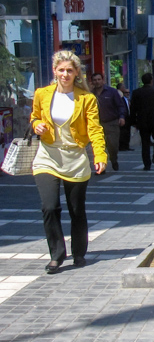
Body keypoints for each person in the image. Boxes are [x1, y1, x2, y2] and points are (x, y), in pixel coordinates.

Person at [30, 50, 107, 273]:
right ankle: (56, 254)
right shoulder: (42, 94)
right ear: (55, 71)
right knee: (50, 206)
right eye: (61, 70)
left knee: (77, 210)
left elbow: (95, 129)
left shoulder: (86, 98)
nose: (65, 74)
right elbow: (35, 116)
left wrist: (100, 155)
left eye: (69, 70)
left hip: (75, 158)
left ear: (76, 73)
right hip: (47, 156)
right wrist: (37, 126)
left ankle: (79, 252)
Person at [89, 72, 127, 172]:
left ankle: (114, 159)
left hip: (111, 123)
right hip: (97, 124)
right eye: (95, 80)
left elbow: (120, 105)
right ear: (92, 82)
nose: (97, 82)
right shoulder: (90, 94)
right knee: (99, 146)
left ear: (103, 80)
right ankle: (102, 166)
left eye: (98, 79)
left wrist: (122, 117)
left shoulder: (112, 92)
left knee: (113, 146)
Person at [131, 73, 154, 170]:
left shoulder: (136, 92)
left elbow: (133, 108)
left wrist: (133, 121)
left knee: (145, 143)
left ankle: (147, 164)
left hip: (143, 122)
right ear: (151, 80)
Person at [117, 82, 133, 151]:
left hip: (128, 117)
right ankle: (122, 146)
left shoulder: (127, 99)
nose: (128, 94)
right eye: (126, 92)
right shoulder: (120, 97)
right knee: (123, 132)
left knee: (127, 132)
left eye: (128, 93)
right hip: (123, 117)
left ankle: (127, 146)